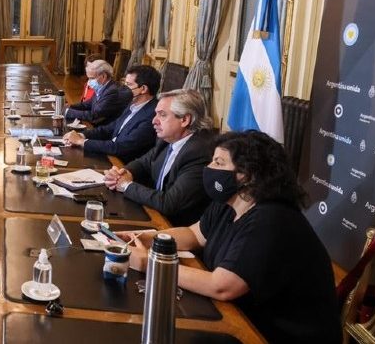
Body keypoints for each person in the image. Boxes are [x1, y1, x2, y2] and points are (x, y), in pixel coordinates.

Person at [118, 131, 341, 344]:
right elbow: (193, 235)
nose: (209, 168)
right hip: (242, 318)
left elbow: (222, 287)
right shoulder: (230, 202)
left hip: (273, 335)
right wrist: (149, 238)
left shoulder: (272, 219)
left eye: (219, 163)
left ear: (247, 174)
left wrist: (150, 263)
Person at [103, 88, 214, 226]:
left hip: (174, 228)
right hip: (154, 214)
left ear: (184, 119)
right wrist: (122, 173)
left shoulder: (199, 152)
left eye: (162, 115)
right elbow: (144, 163)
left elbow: (169, 203)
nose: (154, 121)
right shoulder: (166, 139)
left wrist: (125, 185)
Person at [62, 65, 160, 163]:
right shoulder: (132, 104)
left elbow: (122, 147)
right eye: (124, 84)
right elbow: (108, 129)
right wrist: (81, 135)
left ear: (143, 89)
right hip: (110, 154)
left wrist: (81, 142)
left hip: (122, 165)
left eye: (129, 85)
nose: (124, 89)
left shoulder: (153, 115)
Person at [64, 59, 130, 126]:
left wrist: (68, 112)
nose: (89, 82)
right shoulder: (102, 86)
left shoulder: (112, 91)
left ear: (103, 76)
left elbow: (95, 116)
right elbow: (88, 104)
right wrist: (70, 106)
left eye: (92, 78)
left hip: (104, 131)